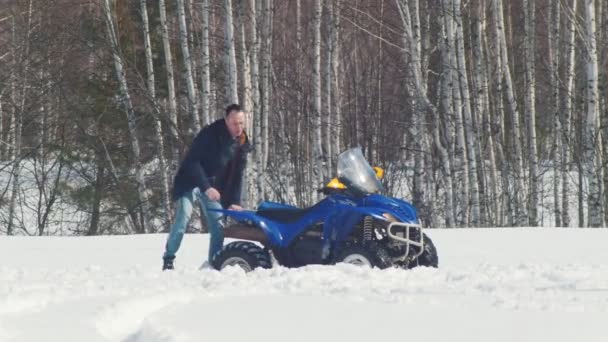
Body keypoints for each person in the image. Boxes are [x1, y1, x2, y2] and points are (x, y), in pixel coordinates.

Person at [162, 104, 251, 270]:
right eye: (234, 123)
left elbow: (237, 175)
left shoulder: (242, 142)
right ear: (226, 121)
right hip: (190, 181)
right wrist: (205, 187)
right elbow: (192, 162)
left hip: (212, 186)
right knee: (183, 217)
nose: (238, 127)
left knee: (218, 225)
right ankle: (169, 258)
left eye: (241, 123)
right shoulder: (210, 133)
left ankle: (214, 264)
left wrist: (234, 201)